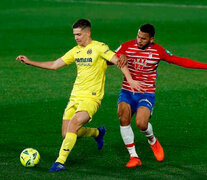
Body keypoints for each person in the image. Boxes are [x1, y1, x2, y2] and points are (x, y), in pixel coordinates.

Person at [16, 19, 140, 172]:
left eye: (79, 34)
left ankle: (60, 162)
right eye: (74, 35)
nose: (76, 37)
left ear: (88, 33)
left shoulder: (99, 48)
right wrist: (30, 62)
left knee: (73, 125)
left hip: (92, 98)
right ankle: (97, 132)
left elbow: (118, 61)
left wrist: (130, 79)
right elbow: (55, 65)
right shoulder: (75, 51)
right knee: (66, 133)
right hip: (75, 97)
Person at [115, 23, 207, 167]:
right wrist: (120, 57)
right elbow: (108, 60)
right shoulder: (126, 46)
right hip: (127, 91)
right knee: (123, 116)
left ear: (151, 39)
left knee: (141, 123)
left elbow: (179, 61)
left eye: (143, 39)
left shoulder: (158, 51)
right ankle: (134, 157)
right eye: (138, 37)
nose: (139, 40)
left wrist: (205, 66)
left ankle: (152, 140)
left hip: (146, 93)